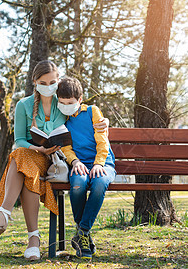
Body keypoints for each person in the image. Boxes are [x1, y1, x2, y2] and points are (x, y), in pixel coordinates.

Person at [0, 61, 109, 260]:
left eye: (52, 81)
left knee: (21, 164)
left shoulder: (61, 102)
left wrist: (105, 121)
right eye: (43, 82)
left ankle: (4, 219)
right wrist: (37, 148)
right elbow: (19, 140)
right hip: (34, 156)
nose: (48, 85)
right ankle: (30, 238)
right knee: (23, 160)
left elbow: (82, 110)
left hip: (56, 162)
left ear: (58, 81)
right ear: (34, 82)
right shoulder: (23, 105)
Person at [57, 77, 116, 259]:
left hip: (103, 162)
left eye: (71, 103)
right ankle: (84, 236)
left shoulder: (92, 111)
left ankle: (82, 230)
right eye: (62, 102)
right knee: (78, 184)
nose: (66, 106)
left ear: (80, 100)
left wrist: (99, 163)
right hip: (78, 164)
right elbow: (65, 147)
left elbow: (102, 140)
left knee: (99, 184)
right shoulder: (61, 120)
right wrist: (74, 162)